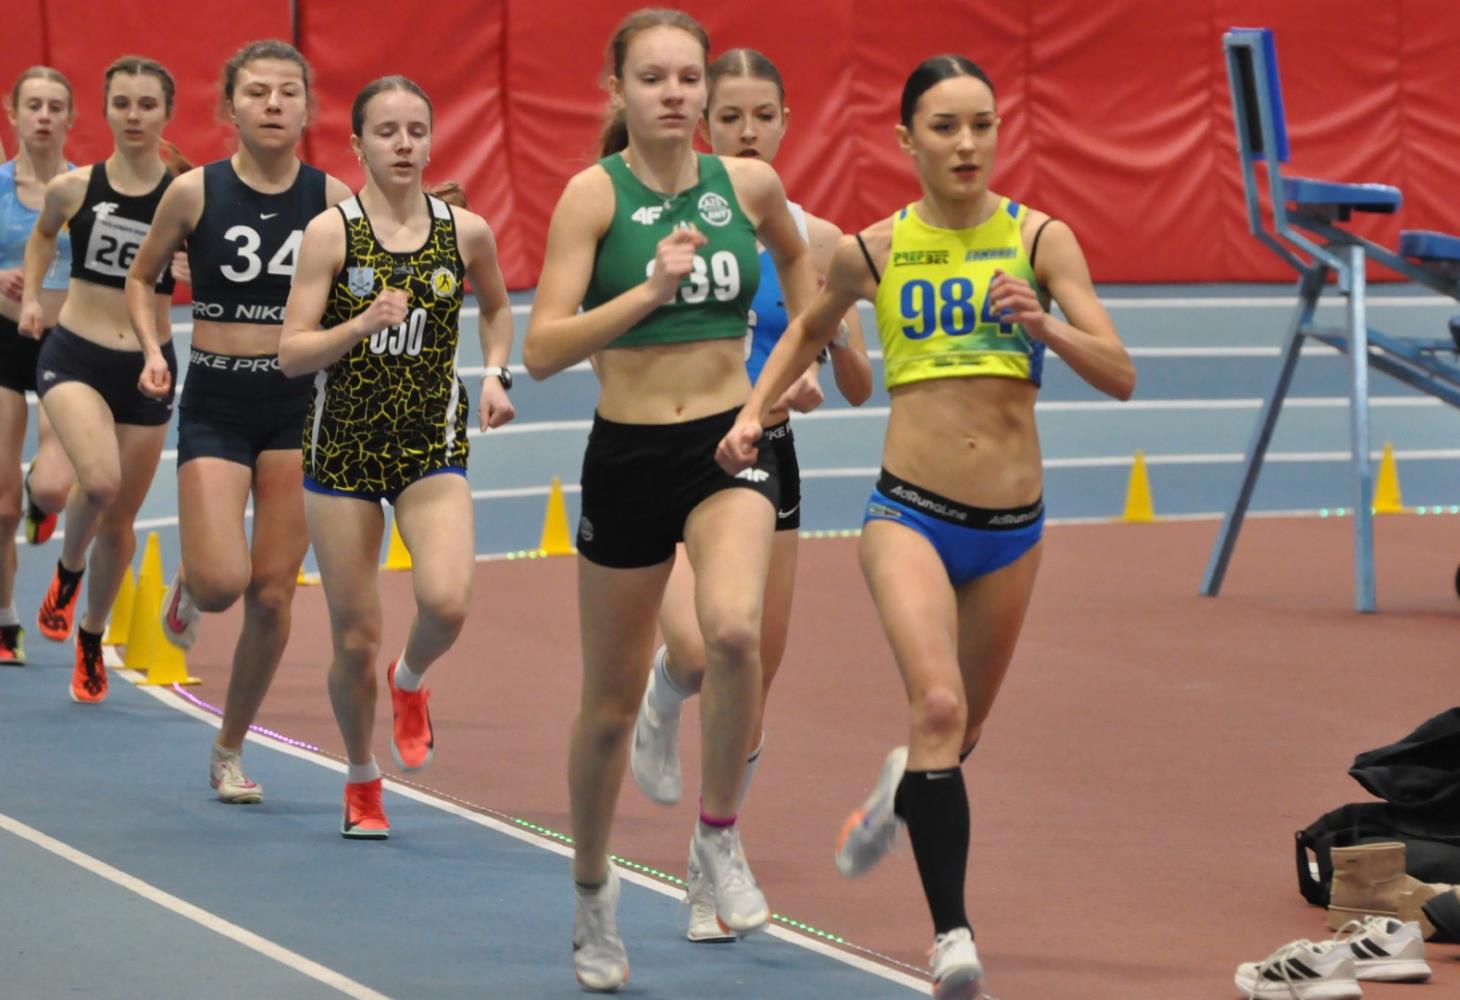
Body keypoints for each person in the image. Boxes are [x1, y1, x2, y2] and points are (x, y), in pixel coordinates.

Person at [716, 54, 1135, 999]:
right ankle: (952, 938)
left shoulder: (1040, 240)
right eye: (945, 127)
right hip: (909, 513)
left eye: (982, 124)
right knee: (939, 705)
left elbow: (1120, 372)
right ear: (908, 140)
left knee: (961, 731)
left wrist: (1047, 328)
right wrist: (751, 412)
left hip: (1012, 530)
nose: (967, 143)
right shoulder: (872, 251)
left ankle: (906, 783)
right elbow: (806, 328)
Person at [523, 9, 819, 991]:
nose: (674, 94)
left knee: (732, 633)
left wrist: (786, 370)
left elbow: (804, 273)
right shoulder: (591, 197)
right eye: (652, 78)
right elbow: (543, 348)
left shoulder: (748, 186)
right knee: (607, 709)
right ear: (618, 90)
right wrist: (647, 292)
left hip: (728, 441)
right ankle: (591, 889)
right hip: (627, 455)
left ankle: (718, 837)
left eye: (688, 77)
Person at [626, 46, 873, 943]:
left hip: (769, 456)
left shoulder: (815, 238)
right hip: (679, 448)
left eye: (762, 116)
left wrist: (826, 348)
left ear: (786, 123)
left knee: (754, 671)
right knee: (700, 648)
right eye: (729, 117)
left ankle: (708, 864)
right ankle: (661, 696)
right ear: (703, 123)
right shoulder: (667, 221)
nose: (746, 131)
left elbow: (858, 385)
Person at [279, 75, 515, 839]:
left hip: (428, 444)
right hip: (342, 450)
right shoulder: (332, 235)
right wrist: (361, 324)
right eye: (387, 132)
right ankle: (361, 776)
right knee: (354, 638)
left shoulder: (465, 232)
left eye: (416, 130)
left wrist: (496, 374)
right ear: (357, 145)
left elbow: (498, 306)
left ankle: (409, 680)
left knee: (447, 601)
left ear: (432, 141)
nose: (404, 144)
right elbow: (291, 353)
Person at [126, 40, 352, 804]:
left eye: (288, 92)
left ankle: (229, 747)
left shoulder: (331, 199)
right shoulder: (194, 192)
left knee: (273, 595)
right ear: (230, 107)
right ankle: (194, 582)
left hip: (296, 408)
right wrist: (153, 347)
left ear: (308, 108)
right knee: (225, 583)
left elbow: (362, 282)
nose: (273, 104)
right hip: (218, 403)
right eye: (257, 92)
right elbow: (142, 277)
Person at [20, 57, 186, 703]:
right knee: (100, 480)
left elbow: (216, 267)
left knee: (120, 521)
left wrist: (194, 267)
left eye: (147, 104)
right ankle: (67, 571)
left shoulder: (187, 195)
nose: (134, 115)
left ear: (167, 112)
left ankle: (91, 636)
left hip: (148, 365)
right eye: (122, 103)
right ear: (106, 110)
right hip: (76, 355)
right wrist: (33, 298)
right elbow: (42, 237)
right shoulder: (74, 187)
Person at [1, 67, 76, 665]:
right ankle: (6, 622)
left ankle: (38, 499)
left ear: (70, 118)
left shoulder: (85, 190)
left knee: (52, 487)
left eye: (55, 106)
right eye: (34, 105)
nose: (44, 116)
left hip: (66, 344)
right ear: (14, 115)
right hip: (4, 342)